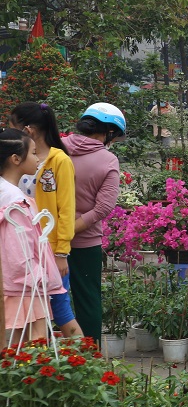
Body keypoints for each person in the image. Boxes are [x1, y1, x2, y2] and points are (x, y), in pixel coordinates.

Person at [8, 102, 82, 337]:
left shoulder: (59, 160)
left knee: (60, 311)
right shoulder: (16, 160)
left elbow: (66, 210)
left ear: (28, 130)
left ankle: (89, 361)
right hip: (23, 249)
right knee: (31, 313)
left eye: (12, 127)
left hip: (49, 249)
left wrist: (61, 253)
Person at [65, 103, 125, 342]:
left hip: (46, 237)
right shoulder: (107, 160)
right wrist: (71, 229)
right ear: (109, 132)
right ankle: (89, 358)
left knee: (45, 300)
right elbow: (103, 207)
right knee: (87, 300)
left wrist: (59, 231)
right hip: (84, 243)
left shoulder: (55, 149)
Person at [1, 129, 67, 343]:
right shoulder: (15, 200)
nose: (38, 159)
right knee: (37, 339)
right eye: (34, 153)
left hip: (17, 279)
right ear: (15, 159)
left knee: (18, 340)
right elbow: (18, 246)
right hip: (27, 280)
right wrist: (37, 275)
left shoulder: (6, 192)